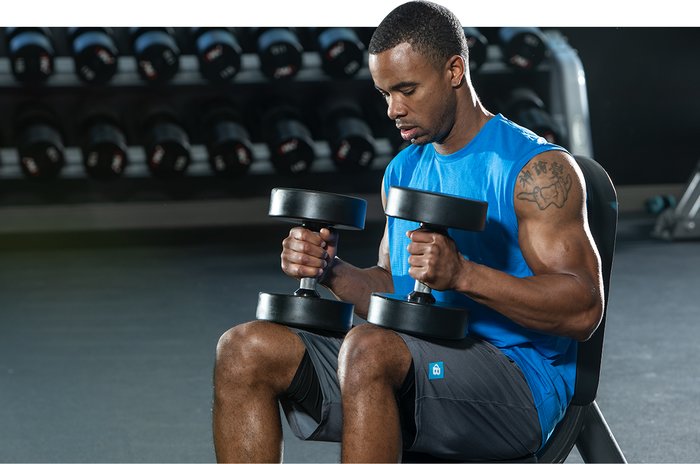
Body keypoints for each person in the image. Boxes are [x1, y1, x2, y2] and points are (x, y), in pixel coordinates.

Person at [212, 1, 604, 461]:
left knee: (369, 349)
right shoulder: (403, 169)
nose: (393, 110)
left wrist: (462, 275)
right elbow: (394, 286)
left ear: (455, 70)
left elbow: (582, 312)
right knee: (244, 349)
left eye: (407, 90)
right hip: (413, 359)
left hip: (518, 383)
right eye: (384, 94)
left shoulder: (535, 170)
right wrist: (330, 270)